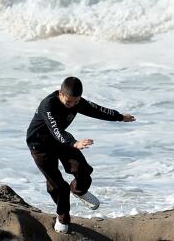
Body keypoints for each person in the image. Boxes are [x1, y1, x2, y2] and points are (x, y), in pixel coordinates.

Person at [26, 76, 135, 234]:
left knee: (83, 170)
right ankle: (62, 219)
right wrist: (74, 143)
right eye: (69, 102)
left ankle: (79, 190)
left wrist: (119, 117)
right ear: (60, 93)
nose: (72, 105)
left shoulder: (76, 102)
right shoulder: (48, 105)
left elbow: (96, 109)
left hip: (61, 142)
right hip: (40, 145)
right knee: (59, 186)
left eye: (76, 102)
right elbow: (55, 129)